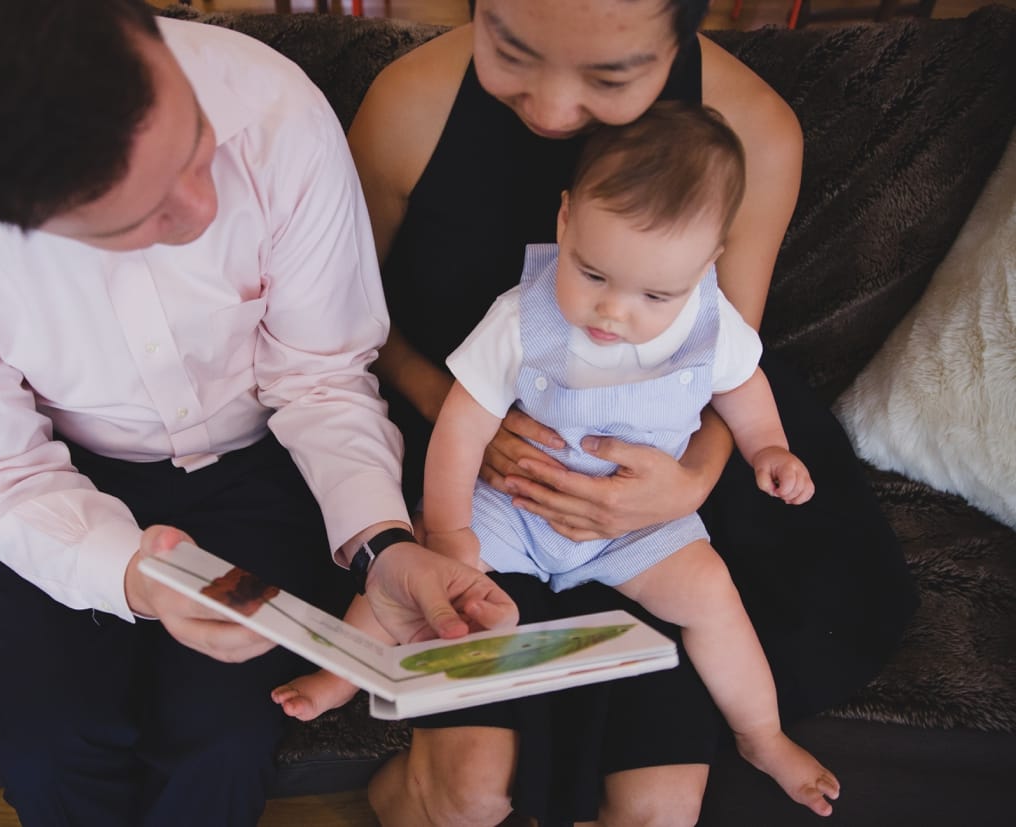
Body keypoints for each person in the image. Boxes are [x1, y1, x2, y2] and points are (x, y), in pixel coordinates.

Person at [0, 1, 517, 825]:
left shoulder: (273, 106)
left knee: (221, 741)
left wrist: (380, 546)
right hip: (55, 476)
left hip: (268, 458)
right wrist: (132, 576)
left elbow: (321, 377)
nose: (201, 210)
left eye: (196, 148)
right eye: (138, 220)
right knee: (51, 746)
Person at [348, 1, 918, 825]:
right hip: (466, 446)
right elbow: (345, 323)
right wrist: (457, 411)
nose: (552, 110)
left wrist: (691, 480)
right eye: (510, 51)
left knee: (701, 718)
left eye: (609, 77)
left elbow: (725, 359)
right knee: (469, 784)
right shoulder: (410, 103)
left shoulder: (756, 132)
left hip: (665, 448)